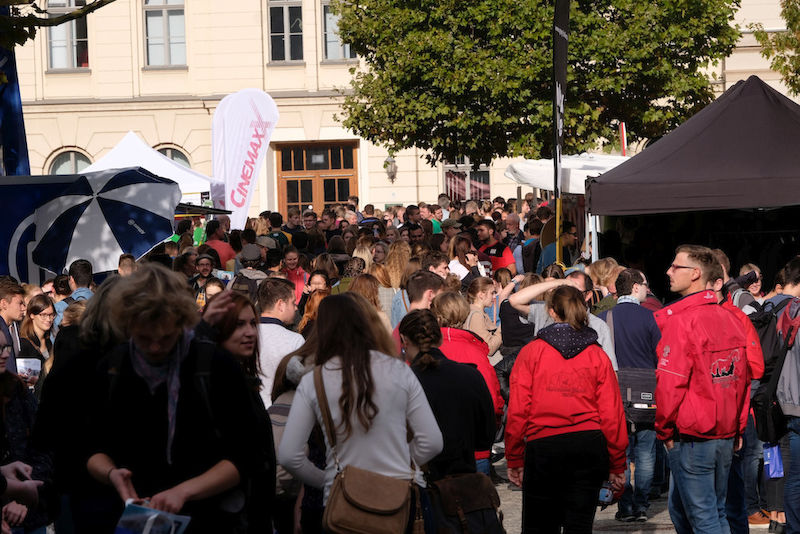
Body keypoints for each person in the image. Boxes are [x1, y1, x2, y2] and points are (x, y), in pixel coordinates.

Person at [85, 265, 264, 533]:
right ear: (128, 325)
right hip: (132, 519)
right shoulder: (113, 367)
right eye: (145, 338)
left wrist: (183, 492)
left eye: (166, 337)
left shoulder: (214, 365)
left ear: (182, 323)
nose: (155, 347)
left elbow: (245, 456)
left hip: (206, 520)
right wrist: (112, 474)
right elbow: (90, 446)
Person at [277, 293, 443, 522]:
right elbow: (432, 441)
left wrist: (328, 478)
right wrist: (403, 463)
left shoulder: (314, 381)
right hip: (401, 494)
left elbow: (289, 455)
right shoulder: (399, 371)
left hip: (345, 502)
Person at [505, 284, 627, 533]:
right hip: (587, 445)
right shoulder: (597, 355)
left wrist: (514, 456)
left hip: (544, 446)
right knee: (579, 525)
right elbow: (612, 415)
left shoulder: (531, 352)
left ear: (551, 312)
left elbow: (518, 409)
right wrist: (617, 463)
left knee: (539, 525)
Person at [656, 245, 751, 534]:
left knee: (705, 517)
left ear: (695, 274)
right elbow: (741, 381)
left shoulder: (683, 321)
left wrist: (663, 429)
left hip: (695, 434)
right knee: (713, 512)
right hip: (721, 431)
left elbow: (670, 383)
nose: (669, 271)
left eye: (676, 266)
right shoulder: (730, 318)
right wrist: (737, 428)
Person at [398, 309, 495, 481]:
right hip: (463, 481)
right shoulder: (470, 375)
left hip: (419, 482)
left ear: (404, 341)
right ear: (440, 338)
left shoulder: (401, 383)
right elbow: (485, 438)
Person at [597, 269, 661, 523]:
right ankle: (641, 505)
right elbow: (660, 355)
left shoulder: (604, 318)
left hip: (614, 392)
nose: (648, 289)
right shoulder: (651, 318)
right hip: (647, 390)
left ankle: (625, 504)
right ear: (635, 287)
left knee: (619, 451)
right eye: (645, 285)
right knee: (646, 449)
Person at [212, 292, 277, 534]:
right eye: (238, 324)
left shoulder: (242, 380)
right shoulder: (216, 384)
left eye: (252, 323)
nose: (250, 332)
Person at [431, 291, 504, 475]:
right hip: (473, 447)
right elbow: (493, 402)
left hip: (434, 449)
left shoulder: (424, 351)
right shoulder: (475, 351)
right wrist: (487, 434)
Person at [257, 278, 304, 408]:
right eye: (293, 303)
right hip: (280, 412)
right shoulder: (294, 340)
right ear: (281, 305)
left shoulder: (244, 335)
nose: (295, 308)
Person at [17, 295, 56, 399]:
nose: (49, 319)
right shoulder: (24, 344)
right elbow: (25, 383)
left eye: (52, 315)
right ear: (32, 315)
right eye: (43, 315)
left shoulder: (49, 342)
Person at [464, 277, 503, 357]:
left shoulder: (479, 312)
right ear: (481, 295)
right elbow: (489, 348)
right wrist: (502, 327)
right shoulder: (476, 315)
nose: (494, 297)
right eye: (492, 293)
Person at [53, 259, 93, 329]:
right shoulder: (103, 303)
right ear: (91, 279)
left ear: (71, 279)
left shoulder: (59, 308)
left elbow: (55, 337)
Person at [0, 282, 24, 375]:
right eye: (20, 303)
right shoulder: (2, 330)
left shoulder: (5, 327)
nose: (23, 308)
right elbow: (8, 369)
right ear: (4, 304)